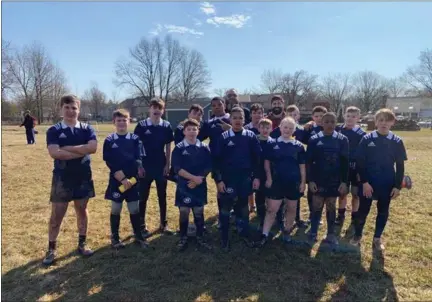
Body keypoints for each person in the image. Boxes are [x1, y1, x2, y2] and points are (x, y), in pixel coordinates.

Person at [43, 95, 97, 265]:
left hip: (83, 176)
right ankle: (51, 249)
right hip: (62, 178)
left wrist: (67, 148)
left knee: (82, 210)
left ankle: (82, 243)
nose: (70, 111)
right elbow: (55, 153)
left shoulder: (87, 128)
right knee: (57, 215)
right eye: (67, 107)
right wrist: (81, 151)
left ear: (78, 110)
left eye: (74, 108)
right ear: (61, 109)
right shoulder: (54, 130)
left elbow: (93, 148)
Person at [351, 109, 407, 251]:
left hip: (387, 183)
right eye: (380, 120)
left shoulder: (397, 141)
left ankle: (377, 238)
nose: (383, 123)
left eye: (387, 120)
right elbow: (360, 162)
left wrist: (397, 186)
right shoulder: (367, 139)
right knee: (363, 211)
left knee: (383, 211)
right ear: (375, 122)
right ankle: (357, 235)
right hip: (368, 183)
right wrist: (364, 183)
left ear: (392, 122)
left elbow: (400, 166)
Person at [212, 107, 261, 251]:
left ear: (244, 120)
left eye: (240, 118)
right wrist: (219, 180)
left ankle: (244, 234)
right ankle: (224, 239)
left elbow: (257, 158)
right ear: (230, 120)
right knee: (226, 208)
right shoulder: (224, 137)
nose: (238, 121)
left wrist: (256, 177)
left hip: (245, 178)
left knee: (243, 208)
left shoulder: (251, 136)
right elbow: (216, 160)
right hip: (228, 180)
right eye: (234, 118)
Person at [257, 117, 307, 247]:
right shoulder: (272, 144)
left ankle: (287, 232)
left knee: (291, 209)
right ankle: (264, 235)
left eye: (291, 128)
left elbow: (302, 166)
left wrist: (303, 182)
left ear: (294, 130)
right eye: (285, 127)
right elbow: (266, 163)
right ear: (280, 128)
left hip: (293, 183)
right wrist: (269, 178)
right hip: (276, 182)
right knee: (271, 209)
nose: (287, 130)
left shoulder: (299, 146)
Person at [103, 109, 148, 249]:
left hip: (133, 181)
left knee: (134, 208)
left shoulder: (135, 139)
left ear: (129, 121)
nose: (122, 123)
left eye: (125, 120)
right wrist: (122, 179)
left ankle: (138, 236)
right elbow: (109, 162)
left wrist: (138, 172)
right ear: (114, 122)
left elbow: (139, 158)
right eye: (119, 120)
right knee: (116, 208)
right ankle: (115, 238)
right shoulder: (110, 140)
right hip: (117, 181)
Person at [307, 112, 349, 246]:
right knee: (316, 206)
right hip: (318, 180)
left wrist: (344, 182)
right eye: (327, 122)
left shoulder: (342, 140)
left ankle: (330, 234)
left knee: (331, 206)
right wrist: (311, 180)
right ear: (322, 123)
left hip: (334, 180)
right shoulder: (314, 139)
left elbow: (345, 163)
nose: (330, 124)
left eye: (332, 122)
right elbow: (308, 162)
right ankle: (313, 232)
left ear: (336, 123)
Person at [134, 97, 174, 237]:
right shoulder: (142, 125)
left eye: (159, 108)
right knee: (143, 197)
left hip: (160, 165)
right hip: (145, 166)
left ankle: (164, 224)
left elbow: (169, 146)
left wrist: (167, 164)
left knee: (162, 196)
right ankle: (141, 226)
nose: (156, 110)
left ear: (162, 110)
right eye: (154, 107)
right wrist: (139, 165)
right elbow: (135, 146)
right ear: (149, 109)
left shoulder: (166, 125)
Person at [171, 118, 213, 251]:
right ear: (184, 132)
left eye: (194, 129)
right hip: (185, 185)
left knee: (198, 211)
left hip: (200, 184)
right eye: (188, 129)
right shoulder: (178, 148)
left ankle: (200, 237)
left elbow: (209, 165)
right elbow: (177, 168)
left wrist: (199, 178)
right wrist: (193, 178)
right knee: (184, 211)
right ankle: (183, 237)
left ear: (198, 131)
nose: (191, 132)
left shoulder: (204, 147)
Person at [270, 104, 308, 228]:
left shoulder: (302, 131)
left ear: (298, 116)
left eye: (294, 114)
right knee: (279, 200)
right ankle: (278, 219)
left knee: (293, 201)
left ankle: (294, 220)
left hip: (294, 174)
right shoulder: (276, 133)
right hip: (279, 175)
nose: (292, 116)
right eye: (290, 114)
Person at [334, 106, 367, 228]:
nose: (350, 119)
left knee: (356, 194)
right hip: (342, 167)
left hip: (356, 168)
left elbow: (364, 153)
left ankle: (354, 216)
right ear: (344, 116)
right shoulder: (337, 130)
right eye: (348, 116)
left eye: (353, 116)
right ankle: (341, 215)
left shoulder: (362, 134)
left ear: (358, 118)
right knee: (342, 192)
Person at [254, 118, 274, 230]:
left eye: (267, 128)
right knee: (259, 195)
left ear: (271, 129)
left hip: (269, 173)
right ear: (258, 128)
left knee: (269, 195)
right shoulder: (254, 141)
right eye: (262, 127)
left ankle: (271, 217)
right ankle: (260, 217)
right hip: (257, 172)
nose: (265, 130)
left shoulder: (273, 142)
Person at [245, 103, 264, 212]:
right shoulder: (247, 128)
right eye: (254, 113)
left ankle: (261, 204)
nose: (257, 115)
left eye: (259, 113)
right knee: (250, 184)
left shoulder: (265, 127)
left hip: (263, 159)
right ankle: (251, 205)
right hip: (250, 159)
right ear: (251, 114)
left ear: (263, 114)